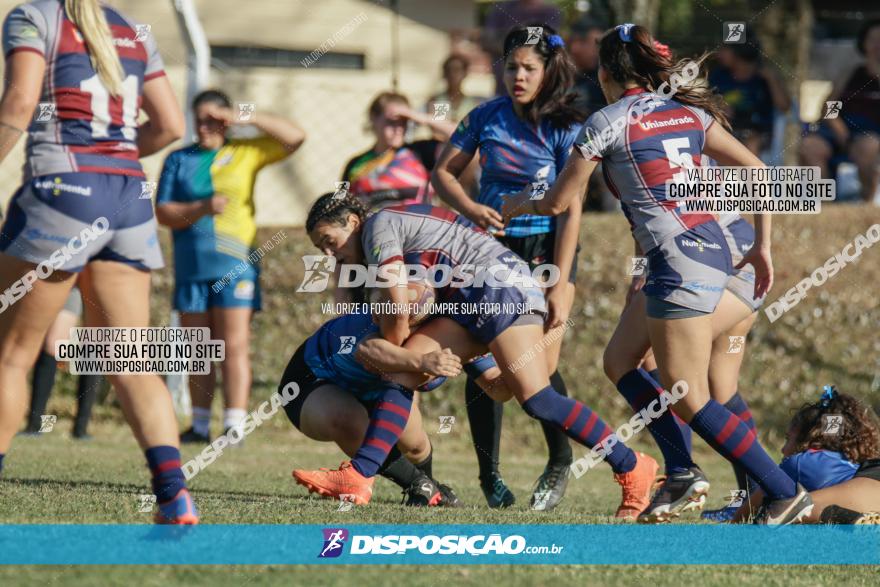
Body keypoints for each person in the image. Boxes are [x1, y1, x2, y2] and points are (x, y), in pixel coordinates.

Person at [503, 24, 814, 524]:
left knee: (690, 396)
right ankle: (684, 472)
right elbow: (760, 171)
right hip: (715, 252)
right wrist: (764, 247)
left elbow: (562, 200)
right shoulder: (688, 113)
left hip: (682, 264)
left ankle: (781, 491)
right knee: (621, 359)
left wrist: (521, 203)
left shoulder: (605, 121)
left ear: (603, 73)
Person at [291, 194, 659, 520]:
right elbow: (495, 389)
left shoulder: (379, 225)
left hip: (499, 287)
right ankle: (358, 477)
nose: (329, 253)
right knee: (401, 374)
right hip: (467, 301)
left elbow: (398, 301)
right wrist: (424, 356)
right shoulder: (388, 239)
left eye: (329, 241)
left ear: (353, 222)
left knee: (539, 401)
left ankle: (632, 466)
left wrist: (397, 343)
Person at [0, 0, 196, 523]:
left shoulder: (32, 16)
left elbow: (20, 103)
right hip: (129, 197)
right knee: (129, 360)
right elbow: (171, 124)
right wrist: (118, 155)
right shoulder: (133, 29)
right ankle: (175, 493)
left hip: (62, 189)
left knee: (12, 356)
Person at [433, 25, 584, 510]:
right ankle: (489, 475)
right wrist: (472, 209)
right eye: (511, 66)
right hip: (488, 253)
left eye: (529, 68)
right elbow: (442, 173)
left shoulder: (565, 125)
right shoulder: (484, 116)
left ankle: (560, 460)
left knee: (535, 367)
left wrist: (562, 279)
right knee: (483, 359)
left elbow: (573, 207)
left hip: (543, 252)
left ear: (548, 71)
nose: (518, 76)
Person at [155, 89, 305, 445]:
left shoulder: (245, 151)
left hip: (236, 265)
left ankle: (234, 425)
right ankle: (200, 425)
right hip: (192, 266)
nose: (205, 125)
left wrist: (247, 117)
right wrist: (201, 208)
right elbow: (163, 212)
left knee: (233, 344)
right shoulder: (179, 159)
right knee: (200, 348)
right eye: (200, 118)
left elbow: (295, 137)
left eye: (214, 118)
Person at [603, 213, 767, 522]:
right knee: (722, 388)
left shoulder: (634, 166)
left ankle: (681, 472)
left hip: (718, 265)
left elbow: (646, 230)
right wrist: (638, 275)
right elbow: (641, 233)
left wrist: (639, 275)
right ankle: (752, 494)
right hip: (741, 267)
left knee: (650, 358)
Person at [282, 305, 509, 506]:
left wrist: (523, 368)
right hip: (312, 379)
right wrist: (423, 361)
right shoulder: (397, 318)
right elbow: (367, 350)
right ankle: (422, 486)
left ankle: (426, 487)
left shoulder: (458, 333)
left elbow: (496, 387)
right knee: (348, 420)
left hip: (374, 390)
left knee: (415, 445)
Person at [731, 387, 880, 524]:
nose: (783, 450)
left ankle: (849, 519)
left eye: (788, 439)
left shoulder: (798, 463)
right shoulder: (853, 463)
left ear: (811, 440)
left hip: (859, 503)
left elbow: (746, 512)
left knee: (780, 510)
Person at [799, 19, 880, 203]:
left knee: (867, 148)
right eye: (873, 40)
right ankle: (825, 203)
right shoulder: (851, 73)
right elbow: (830, 106)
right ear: (864, 44)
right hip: (840, 128)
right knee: (811, 146)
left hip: (872, 133)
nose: (877, 45)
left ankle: (867, 202)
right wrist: (837, 126)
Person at [342, 91, 456, 213]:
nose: (399, 129)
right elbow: (338, 200)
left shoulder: (422, 152)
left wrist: (420, 117)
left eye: (404, 122)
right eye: (391, 122)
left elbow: (463, 134)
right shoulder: (354, 164)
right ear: (373, 118)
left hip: (415, 228)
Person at [23, 287, 101, 439]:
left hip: (99, 273)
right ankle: (34, 426)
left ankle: (81, 429)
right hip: (69, 274)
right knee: (54, 344)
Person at [708, 41, 790, 156]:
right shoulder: (718, 75)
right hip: (728, 128)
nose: (718, 54)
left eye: (724, 49)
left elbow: (784, 107)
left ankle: (754, 174)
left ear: (739, 51)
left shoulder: (764, 77)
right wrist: (719, 108)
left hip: (759, 132)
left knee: (752, 143)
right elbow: (710, 104)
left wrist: (772, 80)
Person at [480, 0, 562, 96]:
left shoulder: (549, 11)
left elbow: (545, 41)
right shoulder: (500, 9)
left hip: (539, 90)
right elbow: (488, 40)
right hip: (502, 87)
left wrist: (508, 40)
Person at [425, 55, 483, 135]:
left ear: (465, 73)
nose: (452, 74)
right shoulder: (439, 100)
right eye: (449, 70)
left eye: (457, 70)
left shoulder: (472, 103)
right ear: (444, 74)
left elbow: (471, 131)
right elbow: (438, 131)